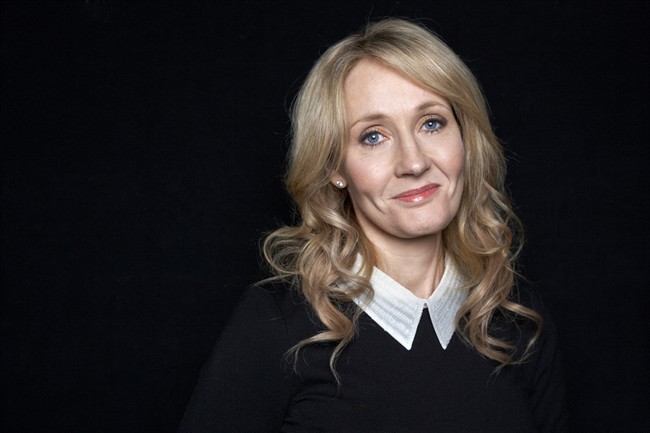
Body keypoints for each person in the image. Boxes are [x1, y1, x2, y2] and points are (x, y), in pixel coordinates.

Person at [178, 18, 567, 432]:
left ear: (465, 138)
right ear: (334, 167)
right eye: (373, 136)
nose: (414, 163)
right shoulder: (276, 325)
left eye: (431, 123)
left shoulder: (517, 318)